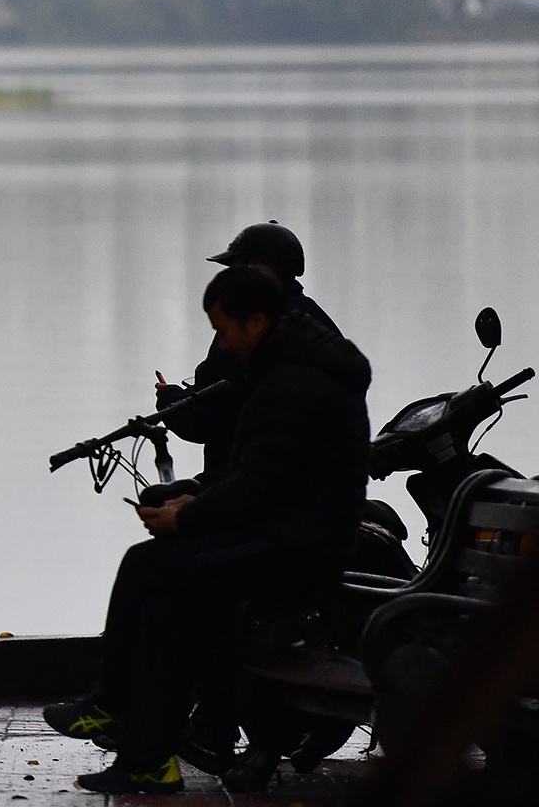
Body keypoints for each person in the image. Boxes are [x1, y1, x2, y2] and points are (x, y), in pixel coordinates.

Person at [46, 263, 372, 795]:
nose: (221, 343)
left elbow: (259, 488)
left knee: (157, 571)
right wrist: (195, 497)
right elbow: (258, 475)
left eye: (223, 329)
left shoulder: (294, 383)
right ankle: (135, 737)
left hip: (297, 553)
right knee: (157, 575)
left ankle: (127, 726)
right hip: (289, 537)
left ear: (256, 321)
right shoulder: (295, 368)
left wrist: (187, 516)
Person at [151, 222, 340, 481]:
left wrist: (169, 398)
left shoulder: (247, 331)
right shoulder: (319, 324)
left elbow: (204, 421)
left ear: (255, 266)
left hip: (252, 489)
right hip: (321, 486)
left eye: (234, 269)